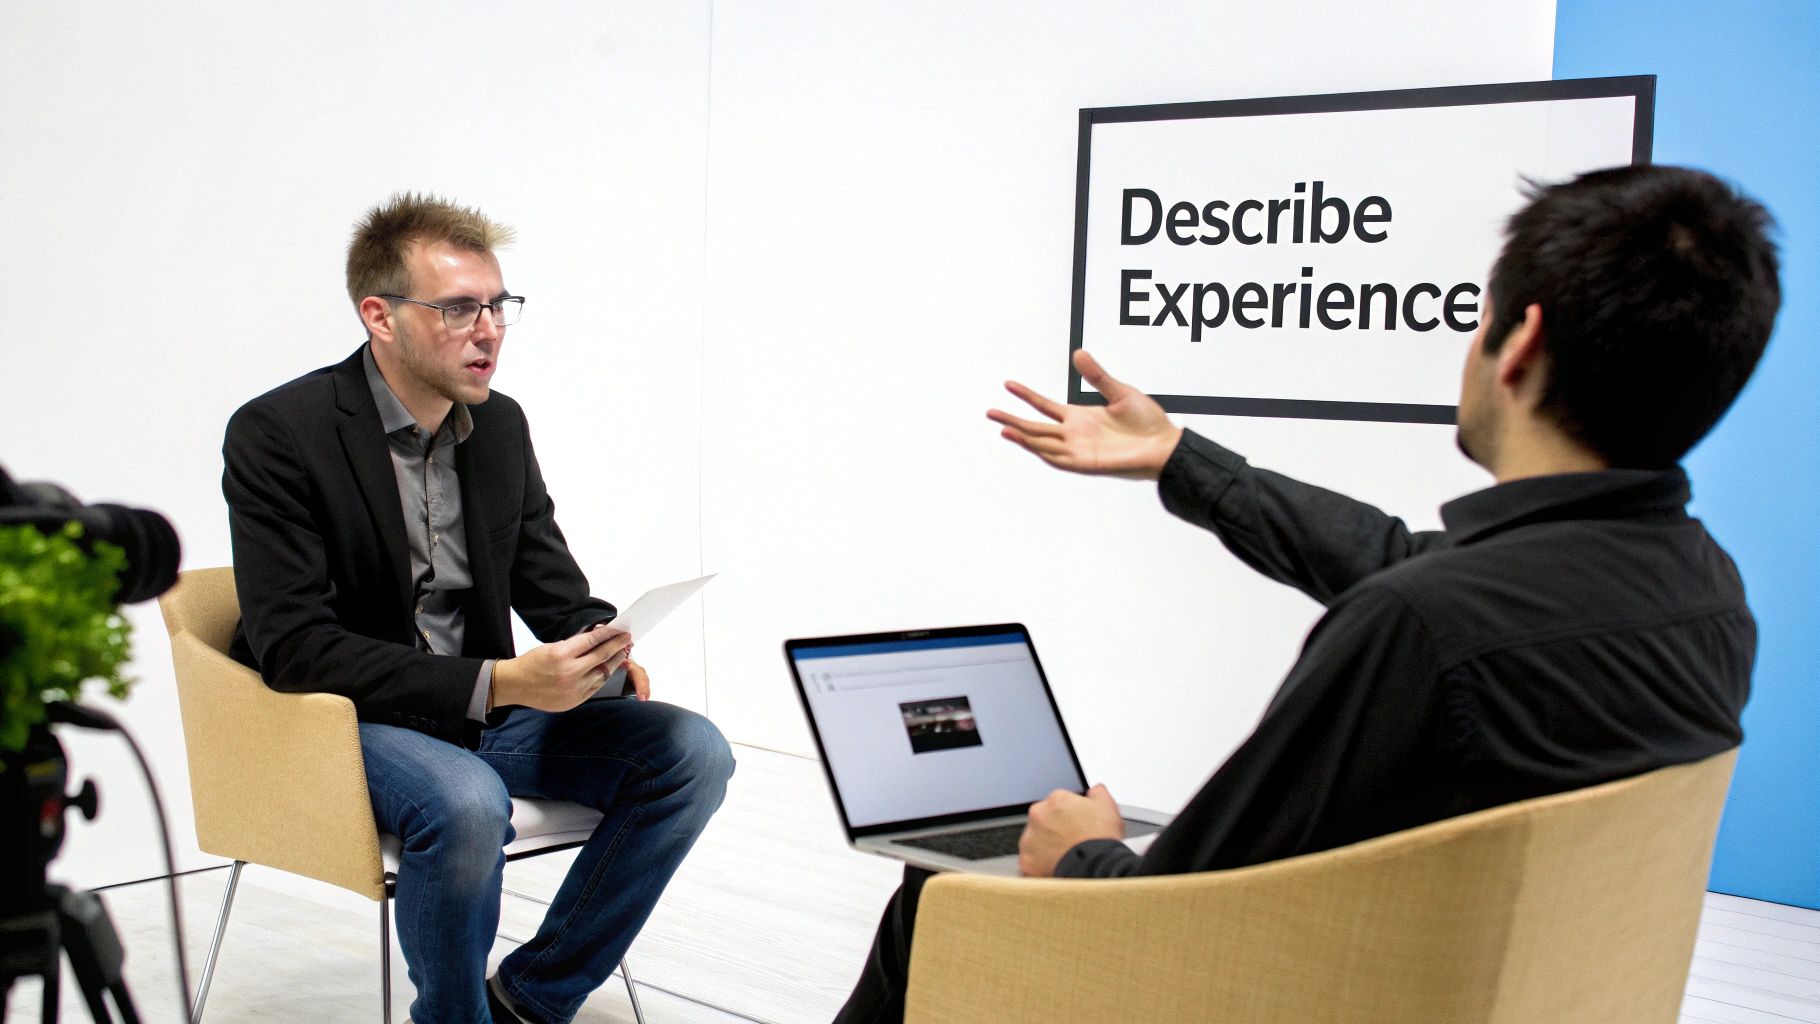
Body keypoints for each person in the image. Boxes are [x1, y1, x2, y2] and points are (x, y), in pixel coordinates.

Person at [834, 163, 1781, 1023]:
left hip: (1277, 992)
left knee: (939, 888)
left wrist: (1082, 851)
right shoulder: (1703, 593)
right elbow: (1406, 560)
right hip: (1488, 990)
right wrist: (1181, 459)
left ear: (1519, 340)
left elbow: (1169, 926)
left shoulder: (1420, 630)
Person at [223, 193, 735, 1024]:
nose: (489, 329)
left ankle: (530, 1001)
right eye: (459, 308)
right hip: (351, 718)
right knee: (464, 802)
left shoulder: (499, 427)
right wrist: (498, 683)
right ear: (379, 316)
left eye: (499, 306)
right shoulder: (280, 433)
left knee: (692, 754)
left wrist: (598, 647)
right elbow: (295, 648)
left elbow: (552, 587)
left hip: (491, 711)